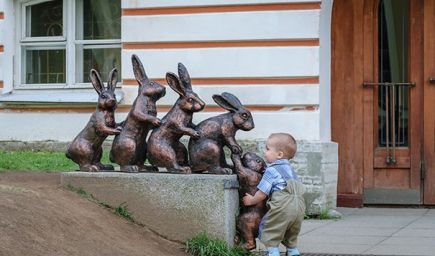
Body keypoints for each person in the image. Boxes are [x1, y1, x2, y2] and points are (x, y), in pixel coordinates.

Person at [243, 133, 305, 256]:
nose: (264, 152)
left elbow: (262, 193)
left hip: (283, 206)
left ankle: (272, 252)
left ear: (279, 154)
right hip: (299, 207)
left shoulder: (272, 170)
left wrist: (250, 200)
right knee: (291, 230)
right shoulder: (292, 170)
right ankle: (292, 251)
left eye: (267, 149)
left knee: (272, 227)